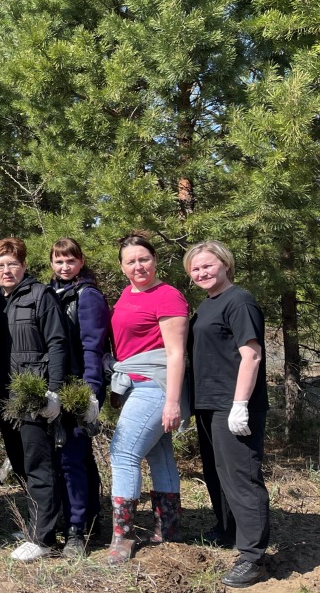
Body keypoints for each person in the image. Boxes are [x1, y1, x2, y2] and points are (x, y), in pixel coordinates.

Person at [184, 241, 269, 588]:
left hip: (233, 405)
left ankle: (253, 557)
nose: (202, 272)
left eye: (208, 265)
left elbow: (251, 355)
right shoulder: (207, 305)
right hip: (208, 404)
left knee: (241, 477)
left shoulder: (240, 301)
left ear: (225, 264)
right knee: (217, 473)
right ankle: (227, 529)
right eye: (195, 268)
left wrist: (240, 404)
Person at [104, 233, 189, 565]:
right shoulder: (128, 293)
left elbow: (176, 353)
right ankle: (168, 529)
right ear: (122, 266)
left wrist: (173, 401)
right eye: (131, 261)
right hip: (135, 385)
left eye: (144, 259)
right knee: (159, 453)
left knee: (123, 454)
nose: (138, 266)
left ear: (155, 260)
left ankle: (122, 537)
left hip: (156, 386)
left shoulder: (168, 296)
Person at [0, 237, 68, 562]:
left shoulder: (41, 296)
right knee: (21, 463)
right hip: (5, 396)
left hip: (34, 393)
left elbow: (58, 343)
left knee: (38, 464)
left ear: (23, 265)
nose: (6, 270)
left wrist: (54, 391)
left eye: (12, 263)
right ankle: (39, 524)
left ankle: (43, 540)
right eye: (0, 265)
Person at [49, 238, 110, 557]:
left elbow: (92, 347)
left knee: (71, 458)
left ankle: (76, 531)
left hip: (79, 386)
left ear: (81, 262)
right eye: (59, 261)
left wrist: (90, 391)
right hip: (54, 385)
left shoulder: (88, 296)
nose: (65, 267)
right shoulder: (51, 293)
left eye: (70, 261)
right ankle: (90, 519)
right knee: (77, 457)